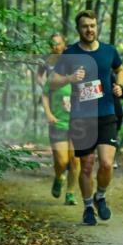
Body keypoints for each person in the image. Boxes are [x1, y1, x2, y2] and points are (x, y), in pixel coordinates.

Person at [50, 10, 123, 225]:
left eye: (92, 25)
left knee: (106, 164)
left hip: (106, 114)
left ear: (97, 26)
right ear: (79, 29)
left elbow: (120, 70)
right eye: (85, 26)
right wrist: (70, 78)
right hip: (81, 118)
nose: (89, 30)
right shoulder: (70, 53)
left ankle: (100, 196)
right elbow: (53, 83)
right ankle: (87, 207)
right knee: (85, 165)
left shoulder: (109, 51)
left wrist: (119, 85)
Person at [39, 33, 79, 205]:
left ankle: (70, 193)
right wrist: (48, 113)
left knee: (75, 159)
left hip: (78, 122)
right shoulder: (53, 70)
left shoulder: (81, 72)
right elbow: (44, 91)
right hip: (58, 120)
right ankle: (58, 175)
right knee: (62, 161)